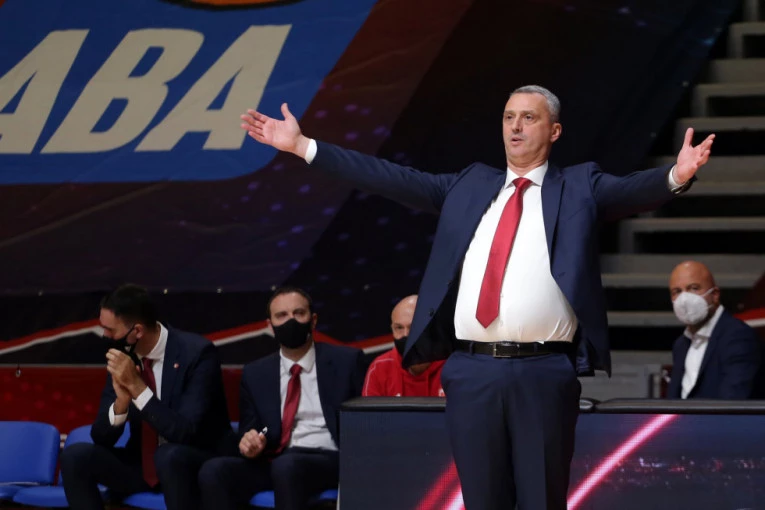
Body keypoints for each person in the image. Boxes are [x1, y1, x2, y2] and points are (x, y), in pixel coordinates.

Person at [240, 85, 714, 509]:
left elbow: (631, 190)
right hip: (472, 370)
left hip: (543, 370)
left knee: (541, 497)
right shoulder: (469, 185)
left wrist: (676, 174)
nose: (515, 126)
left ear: (554, 130)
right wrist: (303, 146)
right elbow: (388, 176)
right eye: (508, 117)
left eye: (528, 117)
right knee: (481, 498)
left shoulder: (578, 187)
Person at [61, 284, 233, 510]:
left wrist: (137, 388)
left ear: (138, 331)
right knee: (75, 456)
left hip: (193, 463)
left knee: (169, 455)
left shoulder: (197, 353)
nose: (105, 335)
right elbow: (101, 437)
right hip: (144, 466)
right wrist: (121, 404)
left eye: (111, 330)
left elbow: (185, 431)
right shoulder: (124, 357)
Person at [198, 287, 366, 510]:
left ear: (313, 320)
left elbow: (365, 423)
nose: (291, 321)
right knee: (214, 471)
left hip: (331, 458)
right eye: (282, 315)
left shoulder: (347, 361)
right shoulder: (256, 373)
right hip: (277, 458)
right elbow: (253, 428)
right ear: (270, 325)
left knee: (287, 465)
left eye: (299, 313)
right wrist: (251, 442)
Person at [667, 260, 762, 399]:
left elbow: (733, 402)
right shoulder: (681, 344)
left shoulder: (739, 337)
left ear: (715, 294)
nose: (685, 299)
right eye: (677, 291)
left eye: (694, 288)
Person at [363, 295, 445, 397]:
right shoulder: (379, 368)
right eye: (399, 328)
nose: (405, 334)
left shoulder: (454, 364)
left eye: (413, 327)